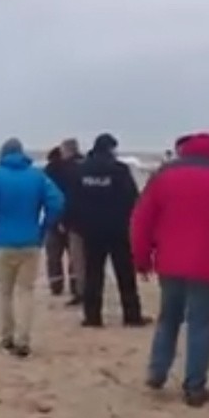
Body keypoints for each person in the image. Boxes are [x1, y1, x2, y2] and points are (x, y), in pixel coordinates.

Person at [131, 132, 209, 408]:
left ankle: (157, 372)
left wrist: (141, 259)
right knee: (200, 325)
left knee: (168, 319)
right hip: (208, 265)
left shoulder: (162, 177)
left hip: (169, 263)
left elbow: (141, 220)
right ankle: (194, 387)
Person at [0, 138, 64, 357]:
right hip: (30, 240)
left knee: (5, 292)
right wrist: (44, 227)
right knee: (26, 292)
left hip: (2, 241)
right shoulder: (37, 175)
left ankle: (6, 337)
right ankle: (23, 340)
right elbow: (57, 202)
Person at [73, 133, 151, 328]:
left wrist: (78, 225)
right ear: (110, 149)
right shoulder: (119, 170)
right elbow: (132, 198)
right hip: (117, 229)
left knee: (93, 273)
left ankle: (92, 317)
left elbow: (73, 200)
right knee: (125, 273)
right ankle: (131, 315)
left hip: (91, 230)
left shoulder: (81, 170)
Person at [56, 137, 86, 307]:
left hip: (75, 220)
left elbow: (68, 198)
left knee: (77, 259)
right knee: (87, 259)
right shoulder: (86, 165)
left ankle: (81, 292)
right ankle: (87, 290)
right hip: (92, 219)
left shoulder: (67, 169)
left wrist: (63, 220)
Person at [43, 146, 71, 296]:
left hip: (53, 218)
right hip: (71, 218)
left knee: (53, 257)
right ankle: (75, 285)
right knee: (73, 255)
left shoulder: (47, 172)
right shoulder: (73, 171)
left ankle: (56, 287)